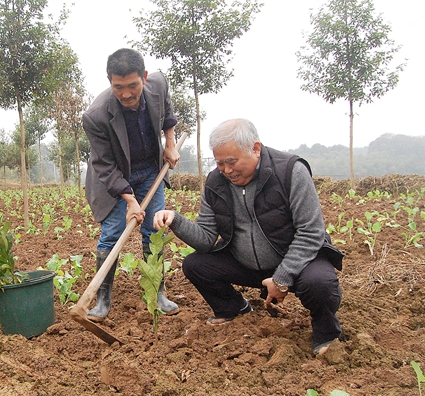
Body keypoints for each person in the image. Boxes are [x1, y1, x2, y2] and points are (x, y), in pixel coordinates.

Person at [153, 118, 344, 355]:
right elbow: (205, 238)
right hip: (247, 264)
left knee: (320, 283)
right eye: (220, 163)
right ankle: (233, 308)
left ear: (255, 149)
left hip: (297, 264)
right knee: (195, 265)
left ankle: (326, 333)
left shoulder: (290, 171)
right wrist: (175, 219)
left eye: (231, 162)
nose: (226, 170)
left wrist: (282, 278)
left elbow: (311, 231)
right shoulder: (215, 182)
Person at [82, 48, 181, 322]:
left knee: (155, 229)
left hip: (150, 170)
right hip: (114, 176)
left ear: (145, 78)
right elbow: (103, 163)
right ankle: (103, 299)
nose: (125, 94)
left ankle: (157, 293)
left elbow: (167, 112)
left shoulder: (158, 85)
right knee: (113, 233)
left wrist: (170, 144)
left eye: (132, 86)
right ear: (109, 81)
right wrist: (130, 200)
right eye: (118, 87)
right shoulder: (96, 115)